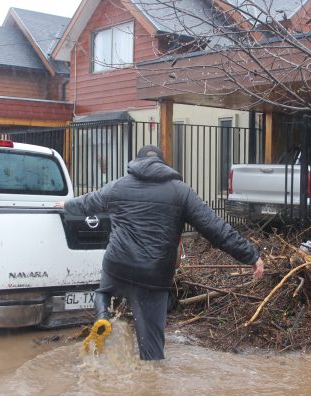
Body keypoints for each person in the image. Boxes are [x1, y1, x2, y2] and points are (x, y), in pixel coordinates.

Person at [57, 145, 264, 361]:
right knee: (152, 352)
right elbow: (214, 227)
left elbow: (87, 203)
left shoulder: (118, 186)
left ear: (135, 163)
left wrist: (65, 205)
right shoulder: (180, 191)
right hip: (153, 276)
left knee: (103, 291)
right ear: (163, 164)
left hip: (117, 265)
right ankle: (151, 383)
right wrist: (250, 255)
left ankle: (103, 316)